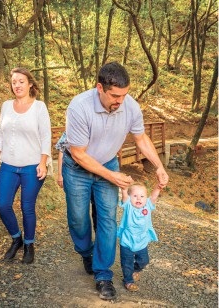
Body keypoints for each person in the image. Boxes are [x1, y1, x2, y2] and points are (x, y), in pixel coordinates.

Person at [62, 62, 168, 300]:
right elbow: (78, 153)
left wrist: (160, 166)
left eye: (125, 94)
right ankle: (86, 252)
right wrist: (112, 176)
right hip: (77, 168)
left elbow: (141, 139)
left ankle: (103, 274)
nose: (120, 101)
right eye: (115, 95)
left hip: (108, 162)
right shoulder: (79, 107)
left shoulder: (130, 107)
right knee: (78, 219)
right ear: (99, 88)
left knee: (108, 220)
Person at [0, 67, 51, 264]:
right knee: (3, 204)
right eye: (14, 82)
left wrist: (43, 162)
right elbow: (0, 135)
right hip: (9, 165)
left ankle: (29, 245)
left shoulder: (39, 107)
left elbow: (46, 136)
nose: (17, 85)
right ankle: (17, 239)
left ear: (30, 83)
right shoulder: (6, 106)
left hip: (32, 166)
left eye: (21, 81)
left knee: (27, 206)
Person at [55, 131, 97, 275]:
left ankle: (100, 247)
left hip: (99, 172)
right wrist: (60, 174)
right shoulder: (71, 130)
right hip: (75, 173)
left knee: (99, 212)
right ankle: (87, 253)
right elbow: (62, 151)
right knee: (78, 215)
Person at [117, 182, 161, 292]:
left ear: (146, 198)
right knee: (126, 263)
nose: (138, 199)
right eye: (135, 196)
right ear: (130, 197)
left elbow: (154, 195)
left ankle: (135, 270)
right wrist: (123, 188)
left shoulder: (148, 205)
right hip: (127, 241)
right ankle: (128, 281)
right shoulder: (128, 206)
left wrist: (158, 186)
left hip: (142, 241)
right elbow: (125, 196)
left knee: (144, 260)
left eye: (142, 196)